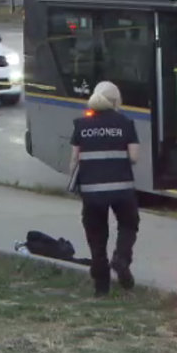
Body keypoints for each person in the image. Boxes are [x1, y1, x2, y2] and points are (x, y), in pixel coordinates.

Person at [69, 81, 141, 297]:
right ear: (116, 101)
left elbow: (74, 160)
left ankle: (101, 285)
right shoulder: (126, 123)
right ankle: (121, 259)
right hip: (122, 189)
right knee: (128, 224)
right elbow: (135, 158)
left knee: (97, 234)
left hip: (92, 191)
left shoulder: (81, 125)